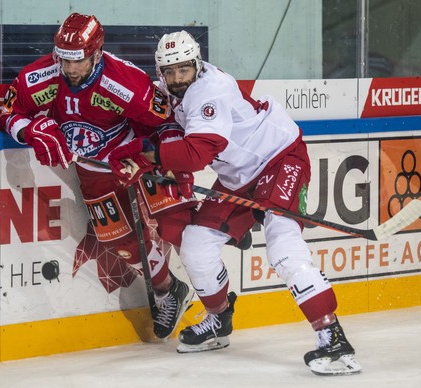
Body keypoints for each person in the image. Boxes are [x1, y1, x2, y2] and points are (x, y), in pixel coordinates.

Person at [107, 30, 361, 375]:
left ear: (196, 65)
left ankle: (332, 337)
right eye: (170, 72)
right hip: (239, 177)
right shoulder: (171, 91)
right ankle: (219, 319)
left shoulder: (210, 90)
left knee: (283, 248)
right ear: (161, 72)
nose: (178, 78)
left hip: (279, 158)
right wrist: (138, 153)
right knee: (196, 245)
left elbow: (197, 153)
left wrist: (144, 157)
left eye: (184, 69)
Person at [0, 13, 197, 340]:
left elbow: (167, 120)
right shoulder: (42, 76)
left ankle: (214, 293)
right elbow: (10, 111)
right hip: (93, 168)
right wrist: (30, 129)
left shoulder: (125, 82)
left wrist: (166, 157)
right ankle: (168, 290)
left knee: (175, 223)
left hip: (137, 157)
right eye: (64, 59)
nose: (70, 68)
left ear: (97, 53)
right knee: (117, 239)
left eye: (78, 60)